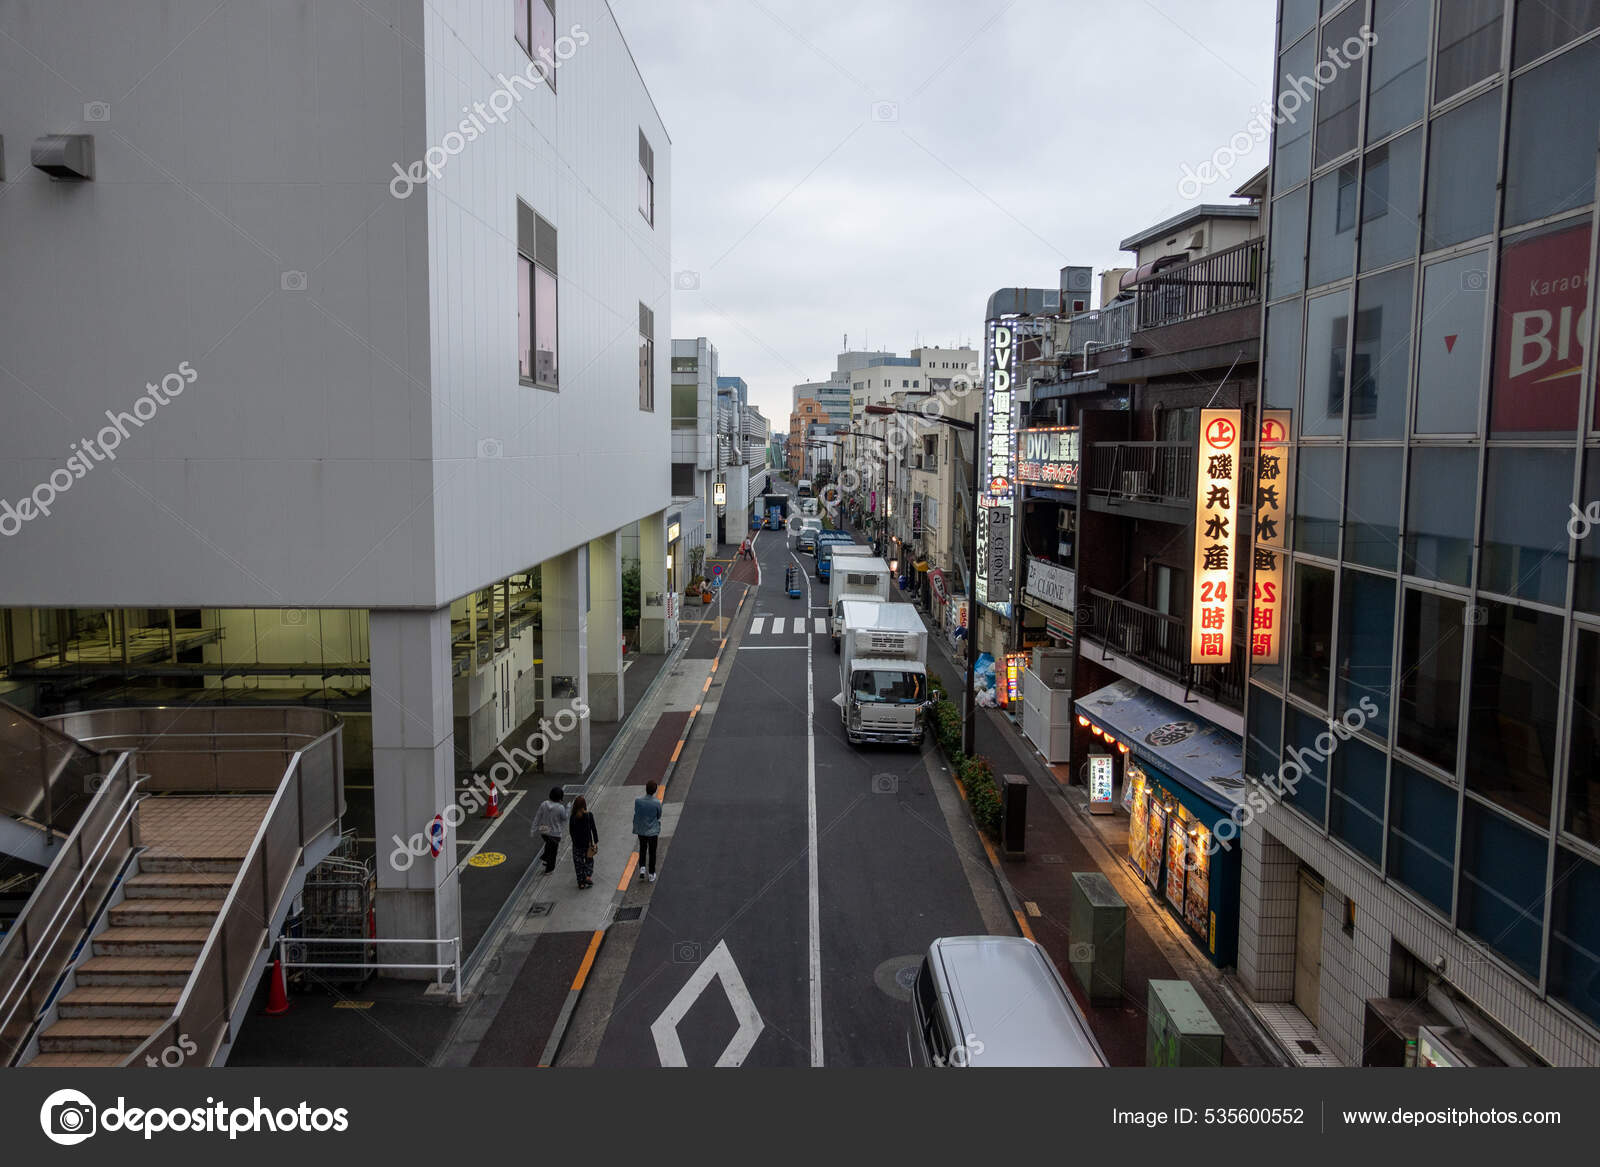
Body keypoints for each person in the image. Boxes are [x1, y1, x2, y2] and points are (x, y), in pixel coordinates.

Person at [531, 786, 568, 874]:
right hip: (555, 833)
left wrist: (534, 828)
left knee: (548, 844)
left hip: (544, 831)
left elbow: (538, 816)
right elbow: (564, 818)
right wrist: (568, 808)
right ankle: (549, 869)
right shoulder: (560, 808)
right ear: (560, 797)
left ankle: (545, 857)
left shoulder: (544, 804)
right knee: (553, 852)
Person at [633, 779, 662, 883]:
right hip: (653, 831)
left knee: (642, 848)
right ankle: (651, 874)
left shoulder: (638, 801)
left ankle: (642, 868)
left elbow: (636, 812)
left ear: (646, 789)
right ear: (654, 791)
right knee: (652, 852)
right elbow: (659, 815)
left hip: (642, 829)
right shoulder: (657, 803)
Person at [569, 795, 598, 889]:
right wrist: (595, 842)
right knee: (589, 860)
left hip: (577, 844)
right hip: (587, 843)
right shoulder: (589, 815)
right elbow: (593, 829)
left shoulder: (573, 817)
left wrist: (574, 841)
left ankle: (581, 882)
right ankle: (588, 876)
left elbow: (571, 831)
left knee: (578, 863)